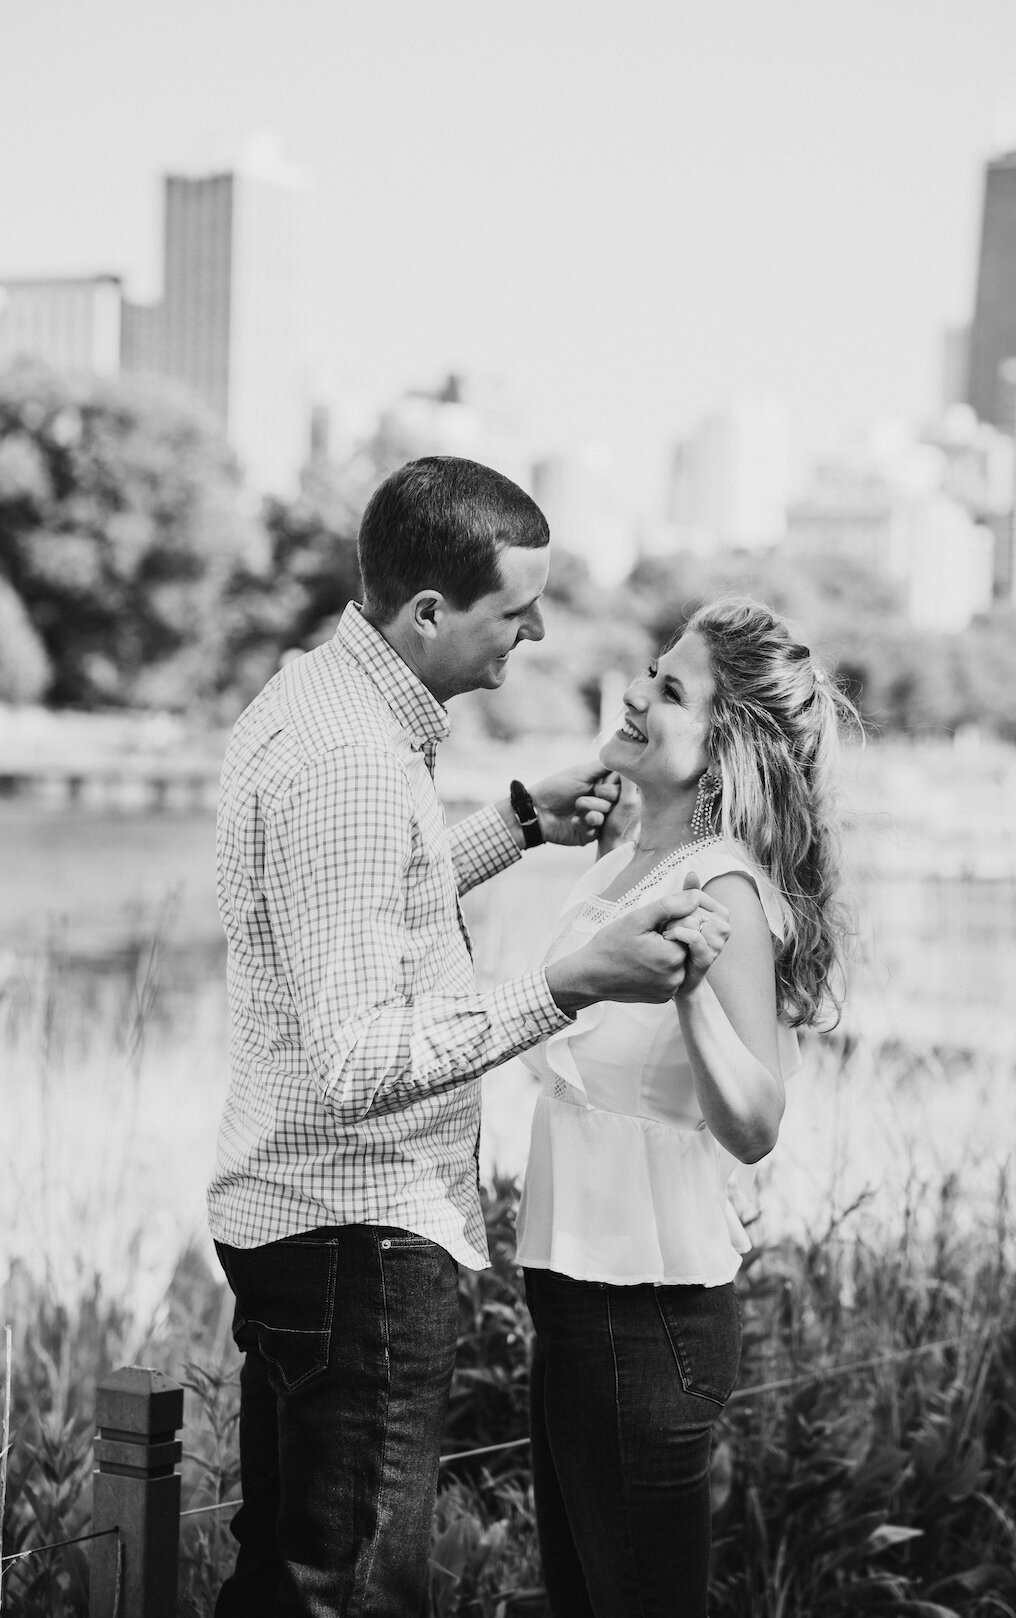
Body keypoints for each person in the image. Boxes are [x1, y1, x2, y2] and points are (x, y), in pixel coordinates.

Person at [207, 455, 724, 1618]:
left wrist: (519, 825)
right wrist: (566, 984)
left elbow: (365, 899)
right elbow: (358, 1059)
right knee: (352, 1593)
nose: (538, 630)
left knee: (286, 1577)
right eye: (515, 607)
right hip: (359, 1236)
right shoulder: (349, 760)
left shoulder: (323, 700)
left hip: (310, 1228)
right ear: (431, 611)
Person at [515, 594, 854, 1618]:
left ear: (724, 751)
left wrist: (695, 993)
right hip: (576, 1297)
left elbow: (754, 1120)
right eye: (649, 671)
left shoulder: (722, 888)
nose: (634, 691)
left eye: (672, 689)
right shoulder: (624, 865)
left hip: (647, 1312)